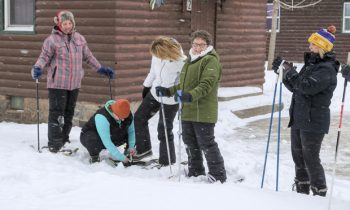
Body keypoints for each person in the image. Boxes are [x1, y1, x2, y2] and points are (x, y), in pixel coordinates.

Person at [31, 10, 114, 153]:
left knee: (69, 113)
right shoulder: (51, 40)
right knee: (57, 114)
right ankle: (54, 143)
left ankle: (64, 138)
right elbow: (44, 57)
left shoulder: (79, 39)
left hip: (74, 83)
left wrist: (100, 68)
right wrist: (37, 68)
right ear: (59, 24)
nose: (67, 26)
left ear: (73, 23)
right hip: (57, 83)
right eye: (64, 23)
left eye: (70, 23)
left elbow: (88, 56)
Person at [272, 25, 339, 196]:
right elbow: (297, 88)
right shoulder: (311, 64)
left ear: (323, 47)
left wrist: (290, 72)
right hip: (300, 117)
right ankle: (302, 190)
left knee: (311, 159)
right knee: (299, 158)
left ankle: (319, 192)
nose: (310, 47)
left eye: (313, 45)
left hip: (314, 120)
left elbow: (307, 87)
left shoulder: (326, 68)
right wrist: (283, 73)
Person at [156, 30, 227, 183]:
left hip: (203, 111)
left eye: (201, 45)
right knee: (190, 142)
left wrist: (190, 95)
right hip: (188, 110)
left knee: (206, 143)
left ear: (207, 45)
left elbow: (206, 85)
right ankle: (195, 170)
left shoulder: (210, 60)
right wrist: (168, 91)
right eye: (195, 44)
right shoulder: (190, 60)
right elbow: (184, 84)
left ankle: (218, 174)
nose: (197, 48)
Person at [133, 36, 186, 165]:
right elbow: (153, 72)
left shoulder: (182, 62)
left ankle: (167, 160)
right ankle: (144, 150)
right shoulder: (157, 54)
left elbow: (184, 84)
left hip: (170, 99)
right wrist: (146, 86)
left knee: (164, 129)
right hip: (155, 93)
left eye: (161, 55)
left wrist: (180, 99)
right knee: (139, 117)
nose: (159, 58)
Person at [80, 99, 135, 165]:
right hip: (93, 137)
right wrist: (121, 157)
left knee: (137, 132)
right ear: (114, 113)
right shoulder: (102, 117)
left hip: (113, 133)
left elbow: (132, 132)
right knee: (92, 139)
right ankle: (94, 157)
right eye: (120, 117)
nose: (123, 119)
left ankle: (128, 153)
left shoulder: (127, 114)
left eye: (124, 117)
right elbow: (106, 141)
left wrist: (131, 146)